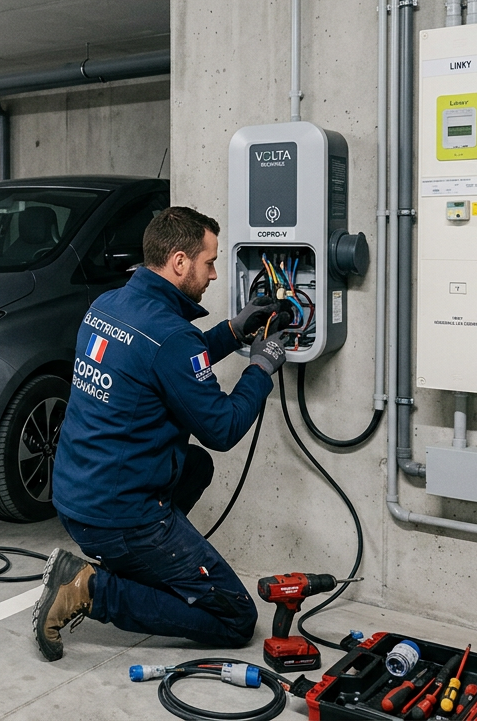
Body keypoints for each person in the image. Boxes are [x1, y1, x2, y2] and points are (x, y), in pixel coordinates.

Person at [32, 205, 287, 661]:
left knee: (195, 466)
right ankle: (91, 589)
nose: (213, 275)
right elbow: (222, 427)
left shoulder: (108, 305)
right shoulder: (171, 335)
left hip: (75, 493)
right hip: (119, 513)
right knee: (236, 619)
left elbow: (166, 363)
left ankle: (142, 565)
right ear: (180, 262)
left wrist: (231, 331)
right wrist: (261, 367)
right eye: (209, 262)